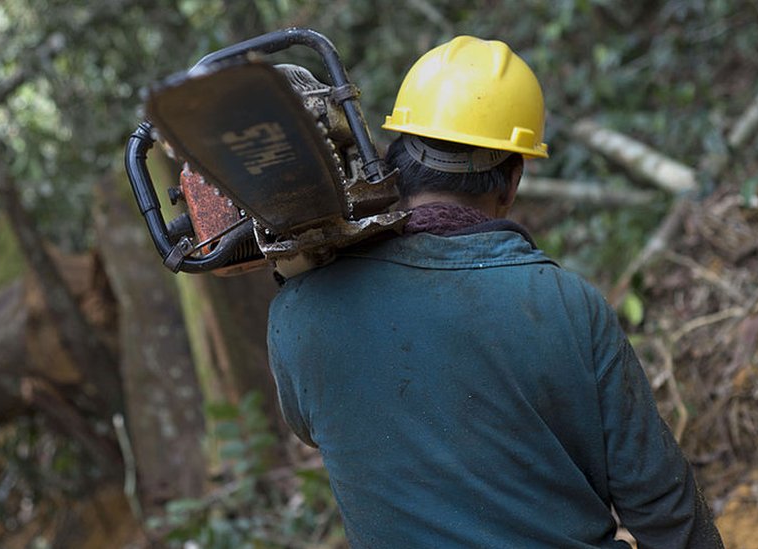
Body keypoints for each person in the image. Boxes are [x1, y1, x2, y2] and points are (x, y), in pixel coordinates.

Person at [266, 35, 723, 548]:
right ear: (512, 180)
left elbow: (316, 427)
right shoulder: (565, 305)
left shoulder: (297, 315)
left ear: (395, 158)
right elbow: (664, 507)